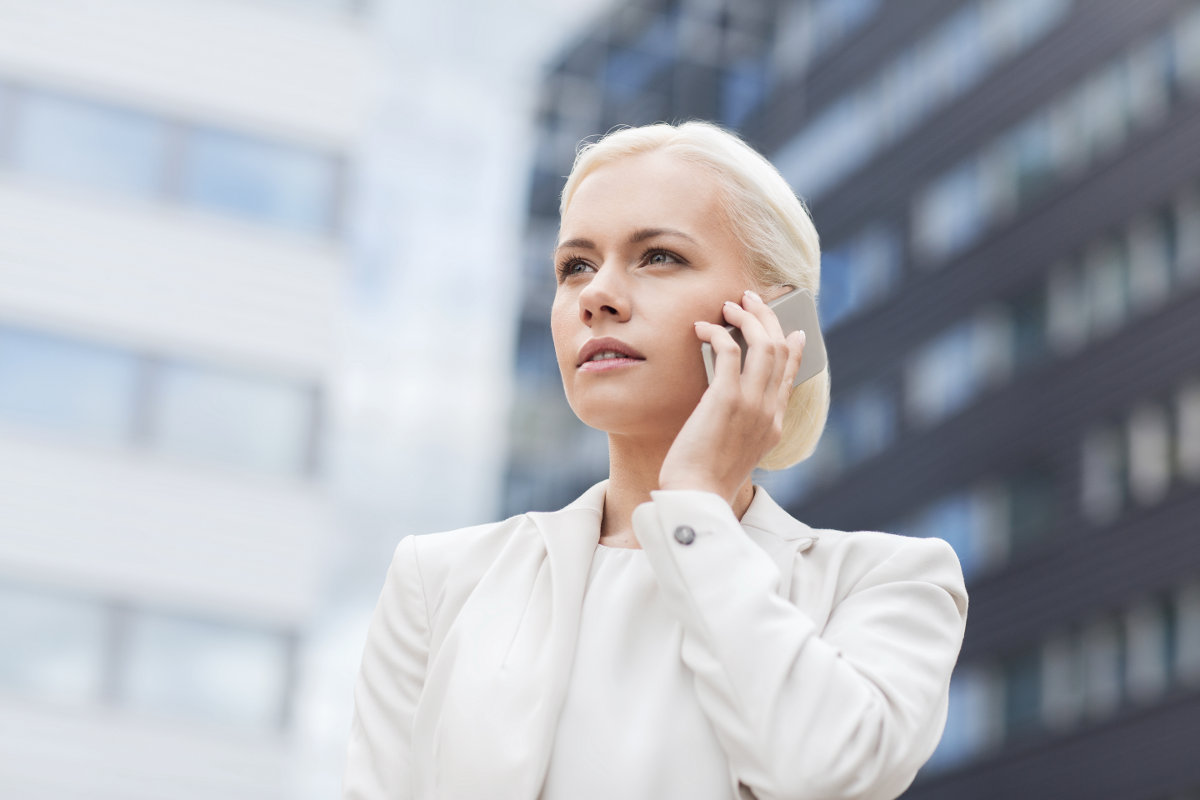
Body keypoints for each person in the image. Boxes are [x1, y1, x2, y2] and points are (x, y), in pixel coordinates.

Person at [342, 120, 968, 800]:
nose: (596, 296)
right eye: (574, 266)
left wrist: (696, 501)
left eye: (659, 257)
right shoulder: (439, 582)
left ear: (776, 320)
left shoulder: (887, 584)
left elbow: (821, 770)